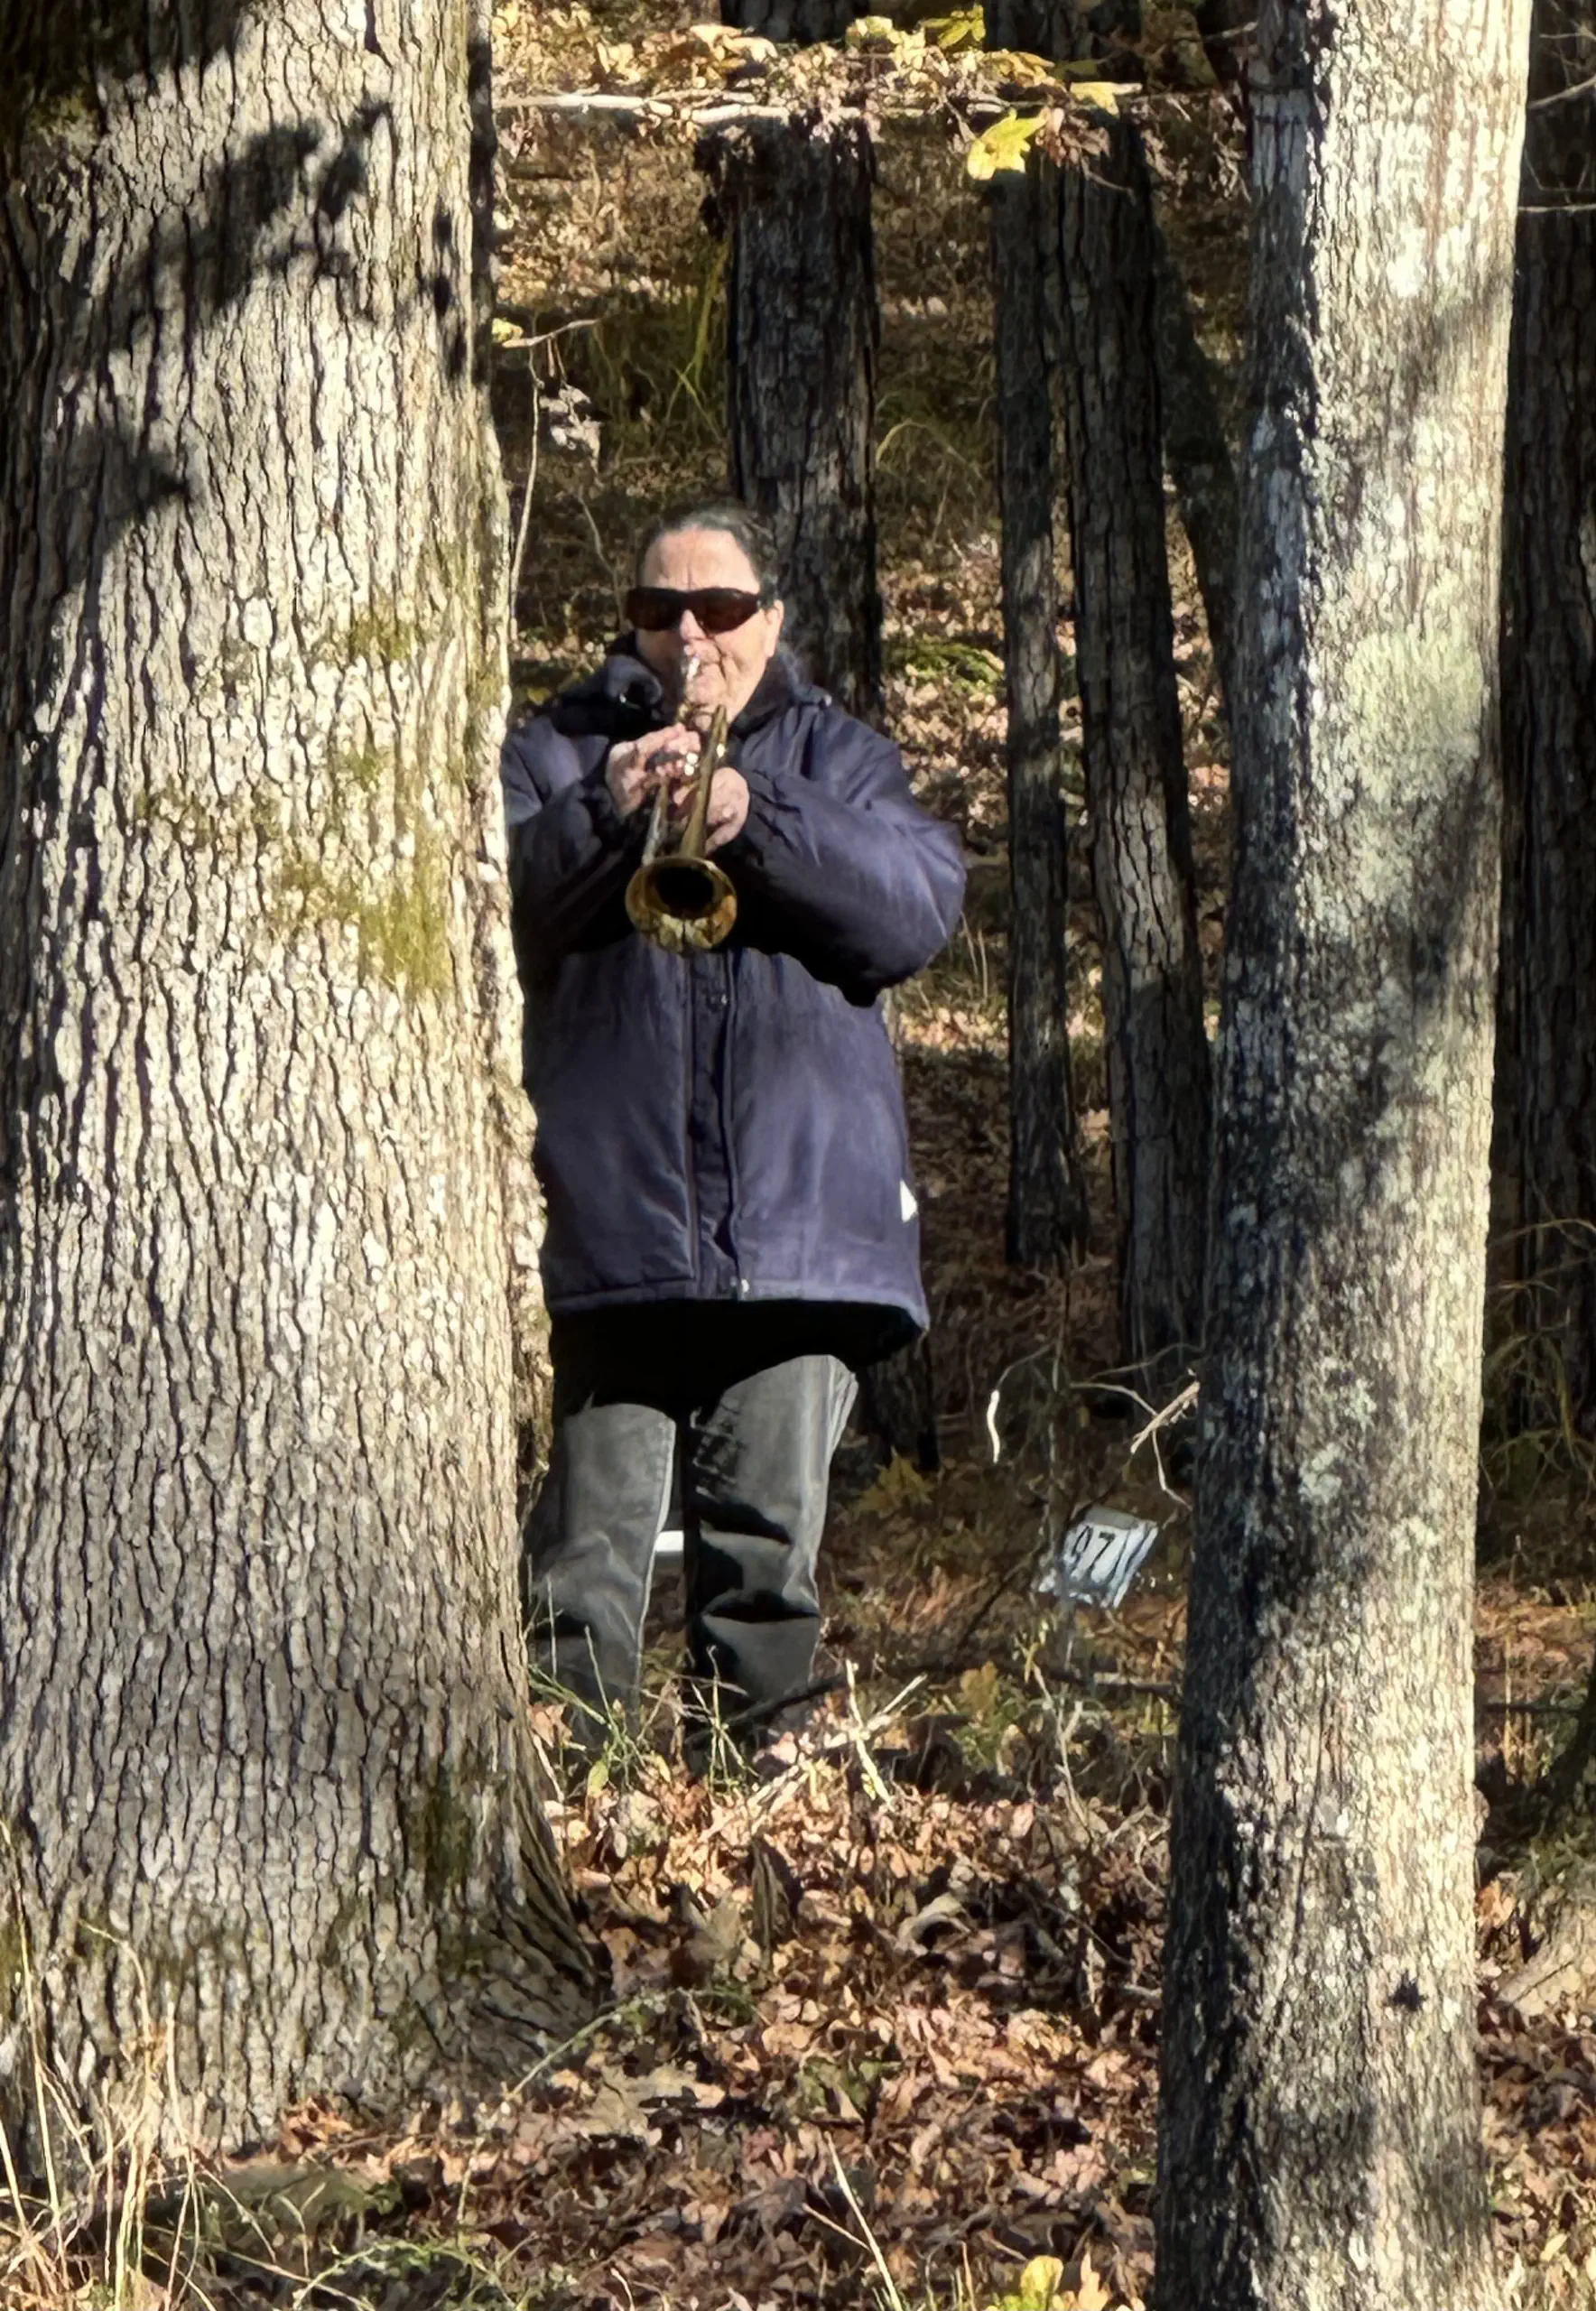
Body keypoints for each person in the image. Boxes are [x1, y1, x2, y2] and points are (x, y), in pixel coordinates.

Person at [501, 500, 965, 1757]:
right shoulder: (557, 751)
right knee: (577, 1585)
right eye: (660, 610)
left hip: (795, 1237)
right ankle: (577, 1839)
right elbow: (491, 901)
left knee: (766, 1577)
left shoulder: (840, 758)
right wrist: (605, 812)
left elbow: (912, 909)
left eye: (718, 608)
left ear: (772, 620)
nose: (690, 634)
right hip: (606, 1238)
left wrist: (759, 820)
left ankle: (755, 1848)